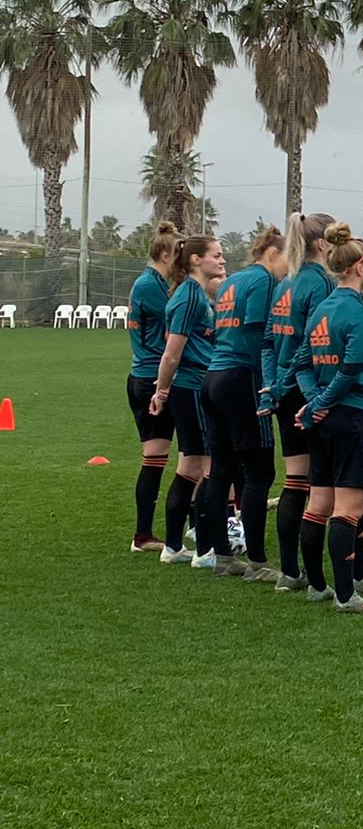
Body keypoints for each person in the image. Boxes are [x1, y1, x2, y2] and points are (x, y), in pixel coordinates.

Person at [292, 223, 363, 614]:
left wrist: (314, 403)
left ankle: (317, 586)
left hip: (323, 420)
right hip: (354, 414)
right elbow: (352, 368)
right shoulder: (359, 310)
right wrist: (322, 401)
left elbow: (301, 363)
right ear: (357, 267)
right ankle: (345, 595)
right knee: (349, 510)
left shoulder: (323, 307)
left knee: (318, 504)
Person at [202, 226, 288, 582]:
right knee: (260, 472)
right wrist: (269, 379)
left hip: (214, 376)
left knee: (221, 469)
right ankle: (257, 562)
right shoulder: (264, 281)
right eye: (288, 258)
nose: (290, 267)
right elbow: (255, 332)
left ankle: (221, 555)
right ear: (273, 253)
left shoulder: (233, 280)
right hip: (242, 379)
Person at [262, 212, 336, 591]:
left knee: (295, 479)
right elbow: (313, 345)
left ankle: (289, 572)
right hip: (308, 392)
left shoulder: (285, 283)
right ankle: (332, 575)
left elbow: (268, 342)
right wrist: (306, 390)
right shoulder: (320, 283)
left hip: (285, 391)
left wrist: (273, 384)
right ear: (322, 244)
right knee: (327, 486)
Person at [149, 234, 226, 567]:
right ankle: (206, 551)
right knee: (210, 468)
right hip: (192, 387)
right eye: (216, 255)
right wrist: (161, 390)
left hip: (195, 386)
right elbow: (171, 353)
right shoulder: (189, 297)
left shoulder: (196, 294)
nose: (222, 260)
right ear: (196, 260)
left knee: (189, 469)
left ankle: (173, 547)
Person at [126, 222, 180, 552]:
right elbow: (178, 318)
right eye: (179, 255)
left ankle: (145, 534)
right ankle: (144, 535)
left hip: (144, 375)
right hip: (151, 377)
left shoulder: (151, 283)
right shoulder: (149, 285)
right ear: (165, 255)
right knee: (167, 457)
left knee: (164, 457)